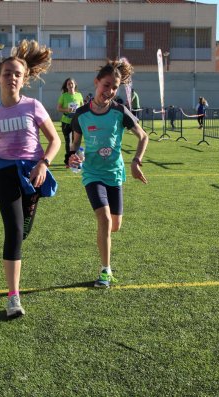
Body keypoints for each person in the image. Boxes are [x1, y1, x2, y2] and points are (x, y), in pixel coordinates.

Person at [0, 40, 61, 318]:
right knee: (14, 231)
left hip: (32, 173)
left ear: (25, 79)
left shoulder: (33, 106)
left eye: (17, 74)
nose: (12, 77)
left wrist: (43, 163)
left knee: (23, 231)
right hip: (5, 173)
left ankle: (14, 274)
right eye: (7, 73)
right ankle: (13, 297)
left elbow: (54, 140)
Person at [69, 59, 148, 288]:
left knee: (115, 226)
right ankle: (105, 270)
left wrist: (136, 161)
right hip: (92, 174)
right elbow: (75, 144)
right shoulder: (81, 114)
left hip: (115, 174)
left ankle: (104, 240)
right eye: (106, 85)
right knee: (103, 219)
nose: (110, 91)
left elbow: (143, 136)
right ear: (96, 83)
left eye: (115, 87)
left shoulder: (119, 111)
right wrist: (73, 156)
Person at [56, 78, 84, 167]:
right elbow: (59, 108)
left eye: (72, 83)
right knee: (67, 142)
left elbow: (82, 107)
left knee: (75, 142)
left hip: (76, 121)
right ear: (66, 86)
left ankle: (74, 161)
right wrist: (67, 109)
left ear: (75, 85)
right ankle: (68, 161)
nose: (70, 85)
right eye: (68, 84)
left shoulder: (79, 95)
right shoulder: (63, 96)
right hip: (66, 121)